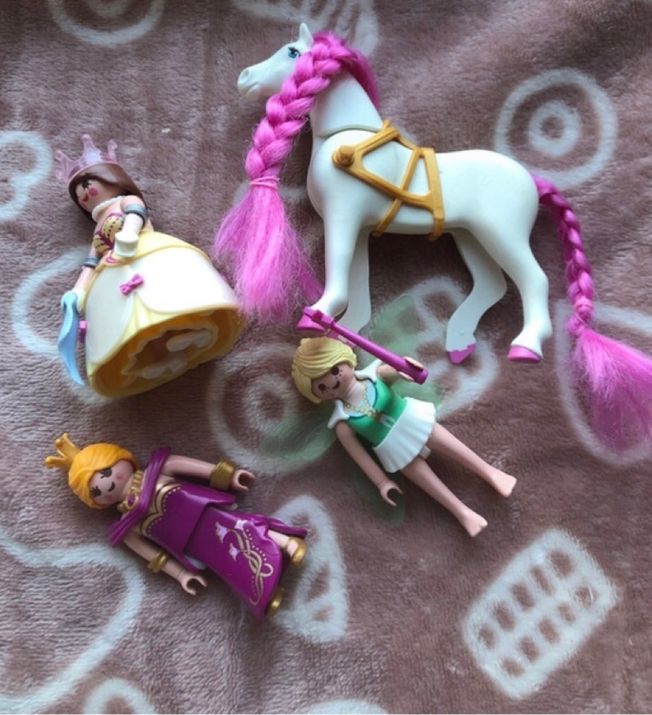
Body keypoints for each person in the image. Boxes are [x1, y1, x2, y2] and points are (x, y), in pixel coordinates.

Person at [55, 134, 243, 397]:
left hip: (146, 252)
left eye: (87, 185)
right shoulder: (98, 228)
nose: (84, 194)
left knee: (167, 299)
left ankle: (193, 332)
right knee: (131, 322)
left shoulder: (125, 201)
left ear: (111, 179)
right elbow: (91, 262)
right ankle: (161, 358)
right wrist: (79, 291)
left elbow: (136, 215)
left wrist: (129, 234)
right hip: (111, 273)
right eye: (79, 195)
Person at [45, 434, 307, 618]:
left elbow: (194, 469)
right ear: (95, 502)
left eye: (106, 472)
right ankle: (263, 594)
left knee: (244, 527)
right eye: (96, 491)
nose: (107, 484)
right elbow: (154, 556)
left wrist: (227, 475)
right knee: (228, 568)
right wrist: (181, 574)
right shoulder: (128, 528)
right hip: (195, 546)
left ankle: (286, 542)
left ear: (120, 458)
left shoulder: (157, 471)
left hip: (207, 514)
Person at [291, 337, 516, 537]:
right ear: (316, 394)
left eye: (334, 370)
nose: (332, 382)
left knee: (446, 442)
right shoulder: (342, 423)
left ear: (345, 359)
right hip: (392, 447)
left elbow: (399, 370)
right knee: (420, 474)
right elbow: (361, 458)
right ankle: (463, 513)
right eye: (322, 386)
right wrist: (382, 483)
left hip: (412, 419)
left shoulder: (376, 375)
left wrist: (406, 369)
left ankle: (491, 473)